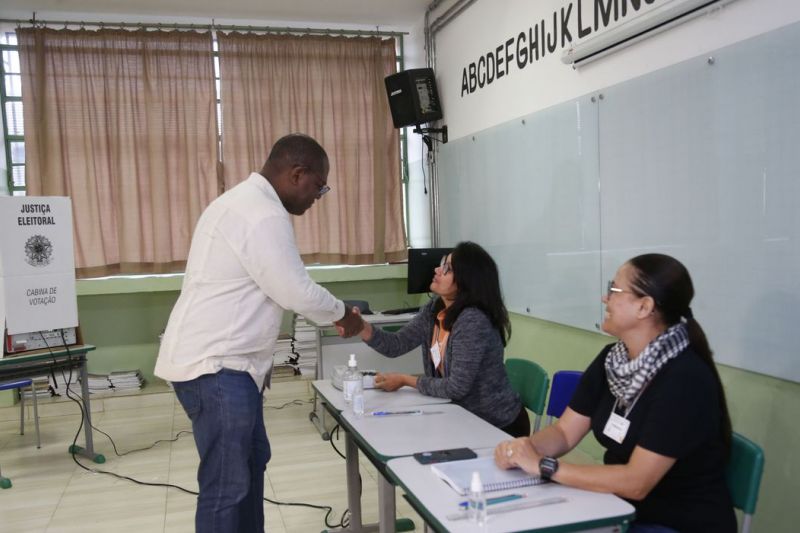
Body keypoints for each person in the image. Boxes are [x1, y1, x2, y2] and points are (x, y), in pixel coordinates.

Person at [154, 133, 363, 533]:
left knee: (250, 464)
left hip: (227, 367)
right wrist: (343, 315)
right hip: (217, 368)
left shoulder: (244, 202)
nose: (318, 197)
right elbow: (294, 290)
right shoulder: (261, 214)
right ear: (297, 174)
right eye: (319, 186)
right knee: (226, 485)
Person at [494, 254, 736, 533]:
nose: (604, 298)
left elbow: (636, 483)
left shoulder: (684, 380)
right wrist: (522, 450)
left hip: (673, 522)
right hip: (617, 507)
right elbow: (564, 432)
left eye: (614, 290)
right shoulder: (613, 360)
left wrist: (545, 466)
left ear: (644, 307)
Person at [341, 241, 530, 437]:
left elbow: (456, 388)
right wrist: (360, 326)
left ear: (467, 280)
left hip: (496, 425)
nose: (437, 270)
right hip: (460, 416)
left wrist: (405, 380)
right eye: (442, 264)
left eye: (447, 269)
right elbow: (396, 345)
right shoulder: (434, 309)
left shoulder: (472, 320)